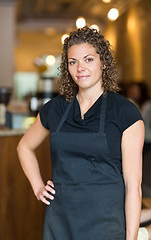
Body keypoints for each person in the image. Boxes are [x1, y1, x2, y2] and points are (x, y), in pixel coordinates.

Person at [17, 26, 144, 239]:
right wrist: (38, 186)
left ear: (103, 62)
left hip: (106, 222)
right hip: (60, 220)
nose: (80, 68)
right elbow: (24, 147)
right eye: (72, 62)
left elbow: (133, 186)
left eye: (88, 60)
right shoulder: (55, 109)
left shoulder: (125, 112)